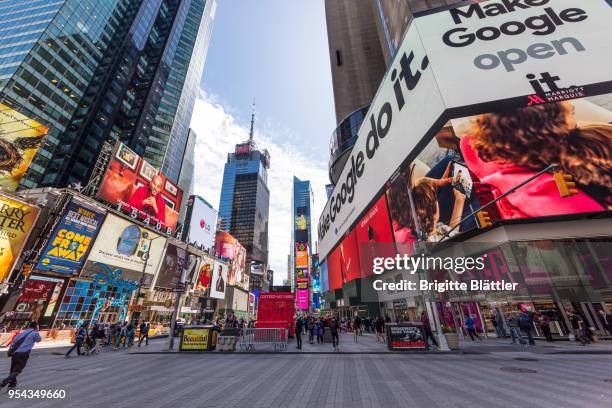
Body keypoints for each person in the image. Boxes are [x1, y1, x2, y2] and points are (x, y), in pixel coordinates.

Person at [1, 321, 41, 391]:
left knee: (13, 370)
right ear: (36, 326)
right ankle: (3, 382)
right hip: (23, 354)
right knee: (18, 370)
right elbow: (39, 340)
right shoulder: (34, 333)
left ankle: (12, 385)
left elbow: (14, 341)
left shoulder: (23, 332)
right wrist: (37, 331)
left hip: (15, 353)